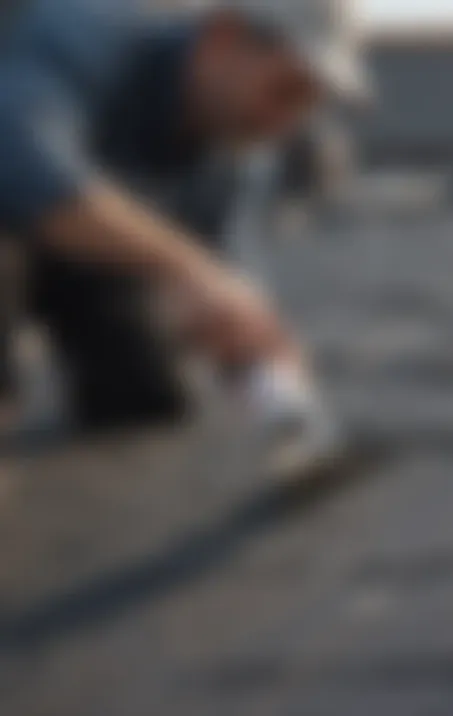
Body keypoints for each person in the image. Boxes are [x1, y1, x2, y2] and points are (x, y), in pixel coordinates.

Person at [0, 0, 362, 478]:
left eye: (308, 105)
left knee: (146, 395)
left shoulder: (235, 154)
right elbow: (21, 164)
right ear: (223, 38)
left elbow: (229, 277)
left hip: (71, 246)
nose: (286, 121)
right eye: (286, 90)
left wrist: (268, 368)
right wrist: (191, 270)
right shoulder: (80, 32)